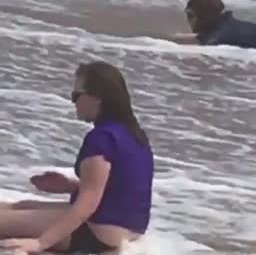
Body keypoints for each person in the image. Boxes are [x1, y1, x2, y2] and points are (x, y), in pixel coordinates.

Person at [0, 61, 154, 254]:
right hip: (127, 231)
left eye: (76, 95)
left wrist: (40, 243)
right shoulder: (134, 135)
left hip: (96, 234)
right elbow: (123, 188)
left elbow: (88, 204)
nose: (73, 102)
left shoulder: (102, 138)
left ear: (97, 98)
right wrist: (70, 186)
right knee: (20, 206)